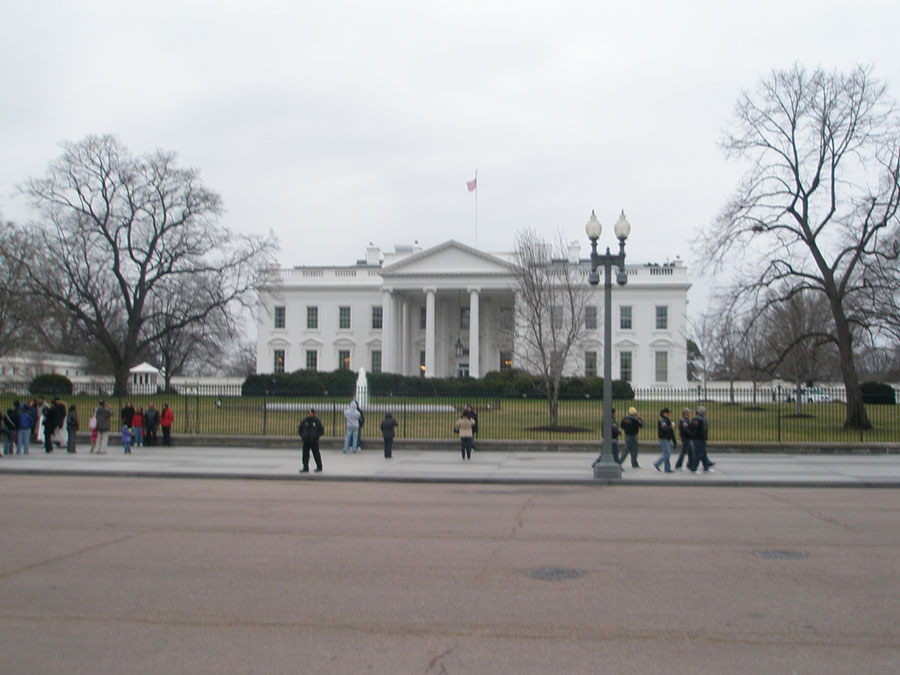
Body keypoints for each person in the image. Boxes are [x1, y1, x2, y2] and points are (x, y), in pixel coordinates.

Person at [688, 406, 715, 473]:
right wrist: (702, 437)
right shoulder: (698, 419)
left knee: (703, 453)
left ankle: (706, 466)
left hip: (700, 438)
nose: (706, 413)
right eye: (705, 412)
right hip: (698, 439)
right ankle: (694, 468)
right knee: (699, 454)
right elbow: (696, 430)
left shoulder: (699, 419)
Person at [297, 408, 324, 473]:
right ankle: (305, 467)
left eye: (311, 413)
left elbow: (321, 431)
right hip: (306, 441)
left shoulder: (317, 421)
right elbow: (300, 429)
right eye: (308, 413)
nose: (309, 414)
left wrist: (316, 436)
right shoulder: (305, 421)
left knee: (316, 454)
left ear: (313, 413)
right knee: (305, 455)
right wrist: (303, 436)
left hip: (314, 441)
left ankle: (319, 467)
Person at [653, 408, 676, 473]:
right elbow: (664, 429)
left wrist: (674, 441)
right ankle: (657, 464)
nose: (669, 414)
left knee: (667, 453)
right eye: (667, 413)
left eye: (669, 413)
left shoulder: (667, 420)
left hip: (667, 439)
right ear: (663, 414)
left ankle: (667, 468)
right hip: (663, 439)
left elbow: (671, 432)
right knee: (667, 453)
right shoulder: (662, 420)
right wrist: (671, 427)